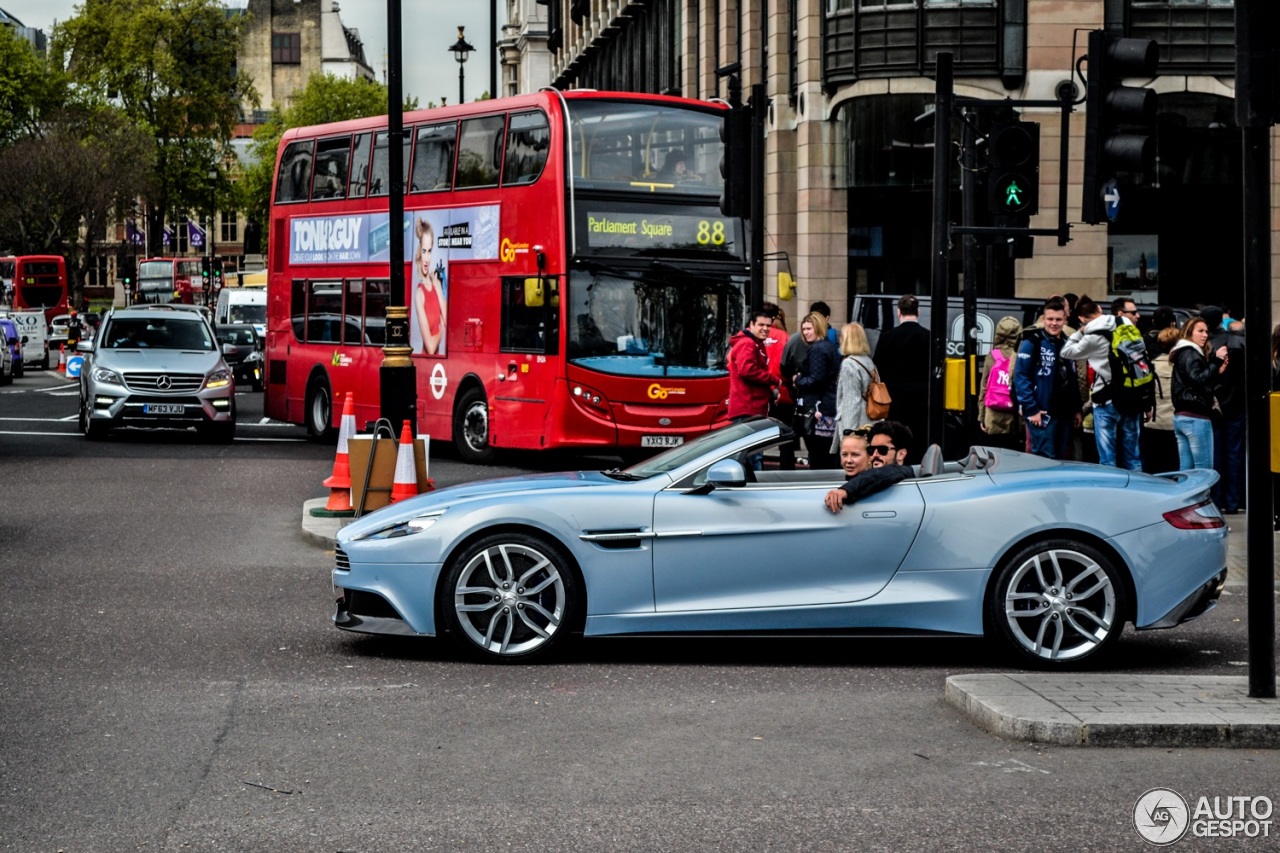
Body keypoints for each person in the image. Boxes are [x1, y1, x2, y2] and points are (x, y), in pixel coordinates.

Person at [1060, 296, 1145, 470]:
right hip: (1132, 395)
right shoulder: (1125, 322)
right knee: (1133, 457)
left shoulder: (1091, 337)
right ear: (1099, 308)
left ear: (1081, 319)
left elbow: (1066, 352)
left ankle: (1112, 494)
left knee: (1108, 460)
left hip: (1106, 401)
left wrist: (1080, 332)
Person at [1013, 296, 1081, 460]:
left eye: (1058, 319)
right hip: (1042, 413)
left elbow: (1073, 377)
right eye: (1050, 319)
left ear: (1065, 319)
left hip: (1064, 413)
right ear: (1044, 319)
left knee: (1061, 458)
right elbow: (1020, 376)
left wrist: (1077, 409)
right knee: (1044, 459)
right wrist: (1032, 409)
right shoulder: (1032, 341)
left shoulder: (1067, 341)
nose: (1054, 323)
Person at [873, 295, 930, 464]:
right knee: (918, 436)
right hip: (921, 397)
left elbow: (878, 368)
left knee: (896, 436)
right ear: (918, 312)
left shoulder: (887, 337)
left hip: (895, 397)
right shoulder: (928, 337)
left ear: (899, 312)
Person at [1202, 306, 1245, 513]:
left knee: (1215, 452)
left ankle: (1217, 498)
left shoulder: (1205, 344)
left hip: (1214, 403)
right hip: (1236, 403)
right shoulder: (1237, 341)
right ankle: (1233, 500)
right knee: (1234, 453)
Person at [1170, 315, 1227, 471]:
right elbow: (1198, 379)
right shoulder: (1191, 352)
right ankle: (1202, 496)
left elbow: (1197, 380)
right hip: (1196, 416)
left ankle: (1185, 495)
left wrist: (1216, 370)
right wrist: (1216, 361)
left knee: (1187, 470)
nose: (1205, 335)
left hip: (1182, 415)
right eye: (1200, 331)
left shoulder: (1182, 352)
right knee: (1204, 470)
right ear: (1189, 332)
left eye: (1206, 331)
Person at [823, 420, 914, 513]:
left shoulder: (903, 471)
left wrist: (845, 491)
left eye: (882, 450)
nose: (875, 455)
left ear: (901, 454)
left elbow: (882, 474)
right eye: (871, 450)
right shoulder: (868, 478)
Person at [792, 312, 840, 469]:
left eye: (809, 328)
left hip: (817, 407)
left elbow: (816, 380)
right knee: (826, 453)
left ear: (818, 327)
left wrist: (798, 380)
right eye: (804, 329)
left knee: (818, 454)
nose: (805, 332)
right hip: (827, 405)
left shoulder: (818, 349)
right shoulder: (829, 346)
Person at [831, 322, 880, 454]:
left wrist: (848, 435)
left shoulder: (849, 364)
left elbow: (851, 402)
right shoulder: (868, 361)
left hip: (856, 423)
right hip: (869, 420)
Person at [977, 315, 1024, 451]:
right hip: (1016, 414)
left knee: (995, 453)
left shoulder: (992, 356)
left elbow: (984, 388)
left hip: (994, 414)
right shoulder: (1022, 354)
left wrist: (982, 416)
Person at [762, 303, 797, 469]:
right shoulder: (783, 336)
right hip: (783, 393)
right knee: (785, 439)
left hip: (761, 394)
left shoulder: (754, 335)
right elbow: (788, 365)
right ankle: (787, 470)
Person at [1141, 327, 1180, 474]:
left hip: (1152, 423)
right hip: (1174, 423)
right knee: (1173, 468)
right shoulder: (1180, 366)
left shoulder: (1151, 366)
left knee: (1152, 470)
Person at [727, 309, 779, 420]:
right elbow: (748, 371)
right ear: (751, 324)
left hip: (750, 408)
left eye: (768, 326)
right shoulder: (747, 343)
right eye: (761, 325)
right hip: (748, 409)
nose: (765, 329)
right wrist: (774, 380)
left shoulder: (754, 343)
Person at [412, 217, 447, 355]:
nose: (427, 258)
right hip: (427, 361)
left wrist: (438, 288)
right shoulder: (419, 293)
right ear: (419, 251)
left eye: (430, 251)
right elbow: (431, 348)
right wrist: (442, 330)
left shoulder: (436, 284)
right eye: (424, 251)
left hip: (438, 363)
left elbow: (448, 318)